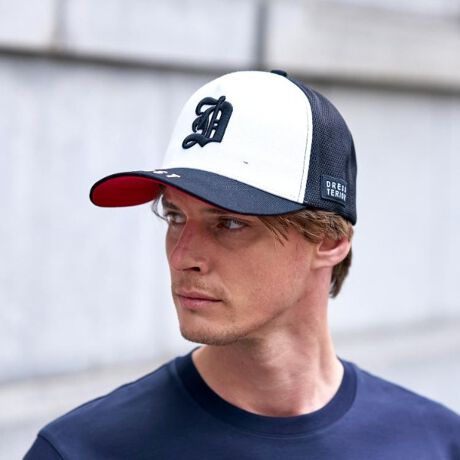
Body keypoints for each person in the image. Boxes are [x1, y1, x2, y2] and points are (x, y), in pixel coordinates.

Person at [25, 70, 459, 459]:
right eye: (175, 216)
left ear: (329, 240)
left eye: (229, 223)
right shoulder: (82, 449)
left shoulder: (436, 442)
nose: (182, 257)